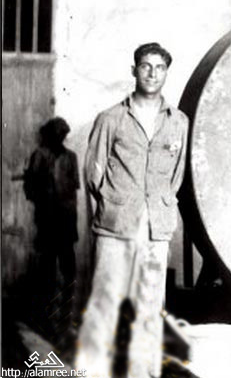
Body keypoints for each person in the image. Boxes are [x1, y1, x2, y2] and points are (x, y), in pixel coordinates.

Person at [75, 43, 188, 378]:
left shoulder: (178, 122)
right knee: (105, 300)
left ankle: (143, 372)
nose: (152, 73)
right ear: (134, 71)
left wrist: (157, 206)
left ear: (166, 73)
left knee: (150, 304)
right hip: (116, 225)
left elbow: (176, 177)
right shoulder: (111, 119)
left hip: (156, 227)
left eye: (159, 67)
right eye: (145, 66)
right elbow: (94, 174)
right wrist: (118, 202)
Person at [23, 116, 80, 345]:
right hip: (47, 223)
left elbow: (73, 191)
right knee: (46, 273)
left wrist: (71, 220)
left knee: (69, 272)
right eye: (56, 134)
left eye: (63, 134)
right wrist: (43, 201)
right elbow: (29, 188)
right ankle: (45, 322)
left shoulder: (71, 157)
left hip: (66, 223)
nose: (60, 138)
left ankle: (65, 322)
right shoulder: (39, 155)